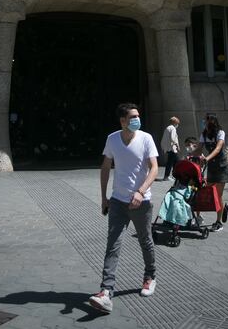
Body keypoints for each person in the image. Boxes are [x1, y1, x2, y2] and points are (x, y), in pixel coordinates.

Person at [88, 103, 159, 314]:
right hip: (118, 201)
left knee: (145, 241)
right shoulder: (112, 139)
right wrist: (104, 197)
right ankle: (106, 292)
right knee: (113, 245)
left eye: (138, 115)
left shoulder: (146, 138)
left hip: (141, 201)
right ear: (122, 121)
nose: (137, 119)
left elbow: (154, 168)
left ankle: (150, 277)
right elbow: (105, 167)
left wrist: (140, 191)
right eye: (133, 116)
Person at [197, 113, 228, 232]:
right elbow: (199, 148)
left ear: (211, 122)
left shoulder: (220, 133)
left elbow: (218, 148)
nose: (203, 122)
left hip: (221, 166)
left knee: (218, 195)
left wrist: (206, 158)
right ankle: (224, 208)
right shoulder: (204, 134)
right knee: (207, 192)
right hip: (211, 166)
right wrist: (190, 156)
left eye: (205, 121)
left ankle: (218, 222)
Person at [160, 116, 180, 181]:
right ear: (175, 123)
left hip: (169, 148)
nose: (178, 125)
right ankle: (167, 176)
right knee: (172, 163)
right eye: (177, 123)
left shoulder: (167, 128)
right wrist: (177, 145)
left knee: (175, 162)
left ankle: (175, 176)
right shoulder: (173, 128)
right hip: (172, 149)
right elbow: (173, 138)